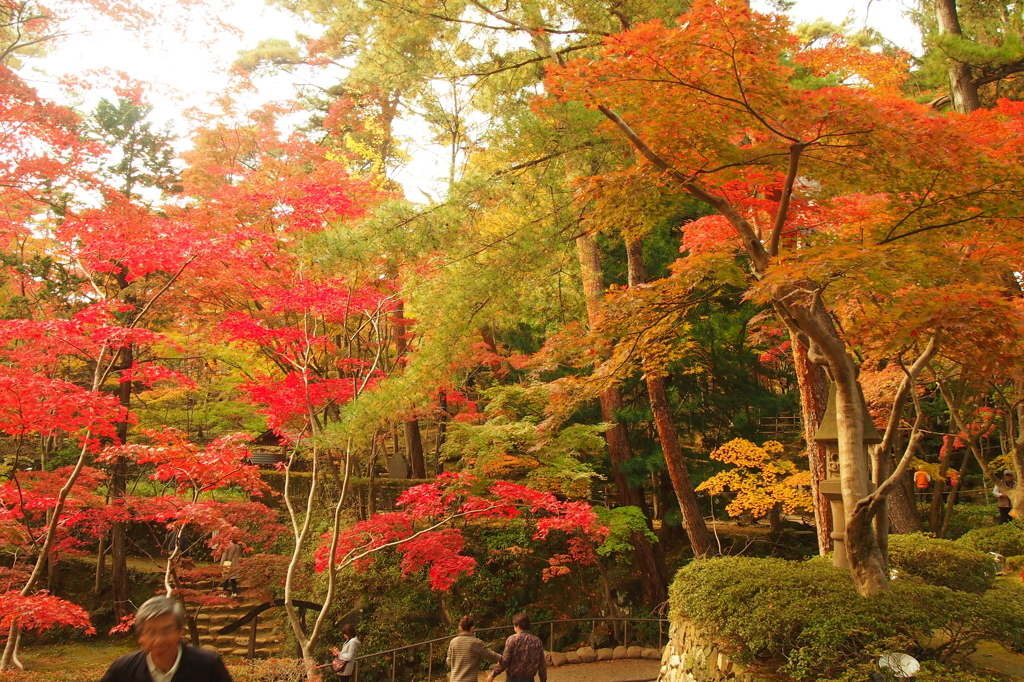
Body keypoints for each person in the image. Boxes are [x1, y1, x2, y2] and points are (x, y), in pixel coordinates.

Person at [100, 596, 233, 682]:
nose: (159, 640)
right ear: (141, 636)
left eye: (166, 631)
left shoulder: (208, 665)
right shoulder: (124, 669)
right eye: (151, 632)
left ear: (179, 632)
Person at [486, 613, 546, 682]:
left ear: (518, 627)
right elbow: (542, 665)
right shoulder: (537, 641)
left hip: (512, 679)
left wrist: (493, 674)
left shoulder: (512, 640)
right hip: (529, 679)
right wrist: (543, 680)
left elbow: (505, 661)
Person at [448, 616, 501, 682]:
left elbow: (449, 662)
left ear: (460, 627)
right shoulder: (476, 643)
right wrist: (504, 658)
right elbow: (492, 656)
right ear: (472, 628)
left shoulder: (453, 642)